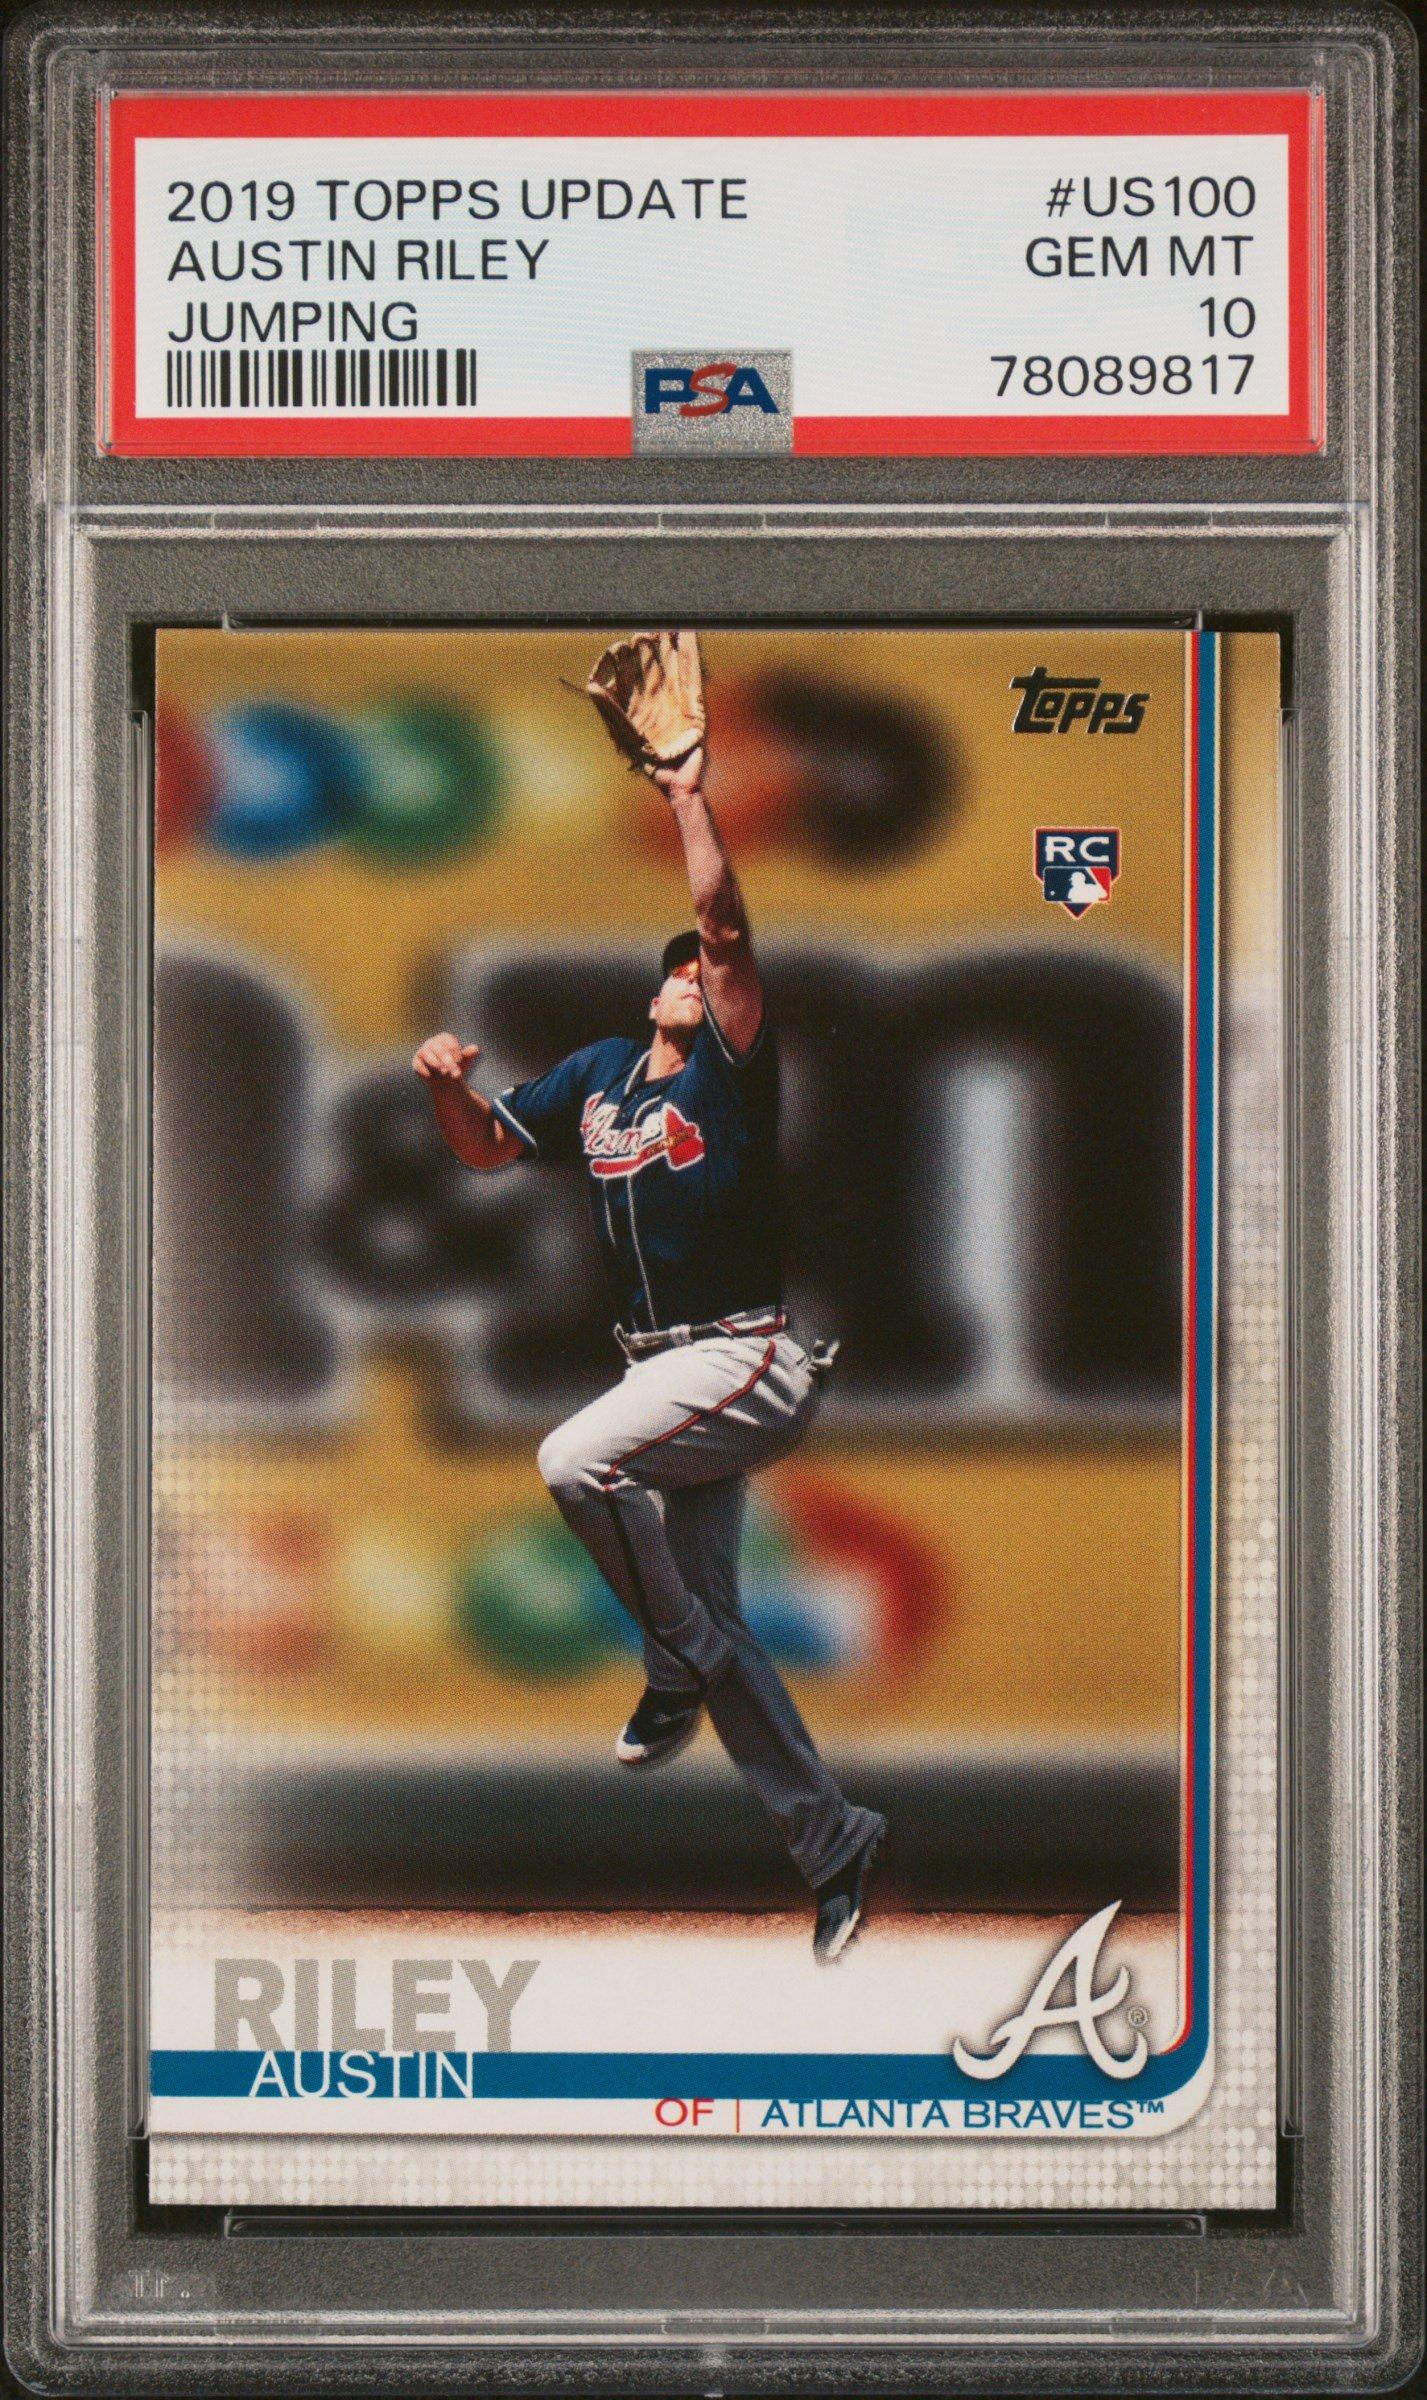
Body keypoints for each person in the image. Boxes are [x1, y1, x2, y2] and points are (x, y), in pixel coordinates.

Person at [414, 695, 885, 1961]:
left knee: (574, 1462)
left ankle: (671, 1659)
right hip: (666, 1369)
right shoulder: (597, 1077)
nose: (690, 971)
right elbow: (485, 1152)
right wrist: (453, 1090)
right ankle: (831, 1840)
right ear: (650, 988)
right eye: (674, 965)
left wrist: (684, 793)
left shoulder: (732, 1068)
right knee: (721, 1622)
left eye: (702, 969)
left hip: (745, 1358)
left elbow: (723, 922)